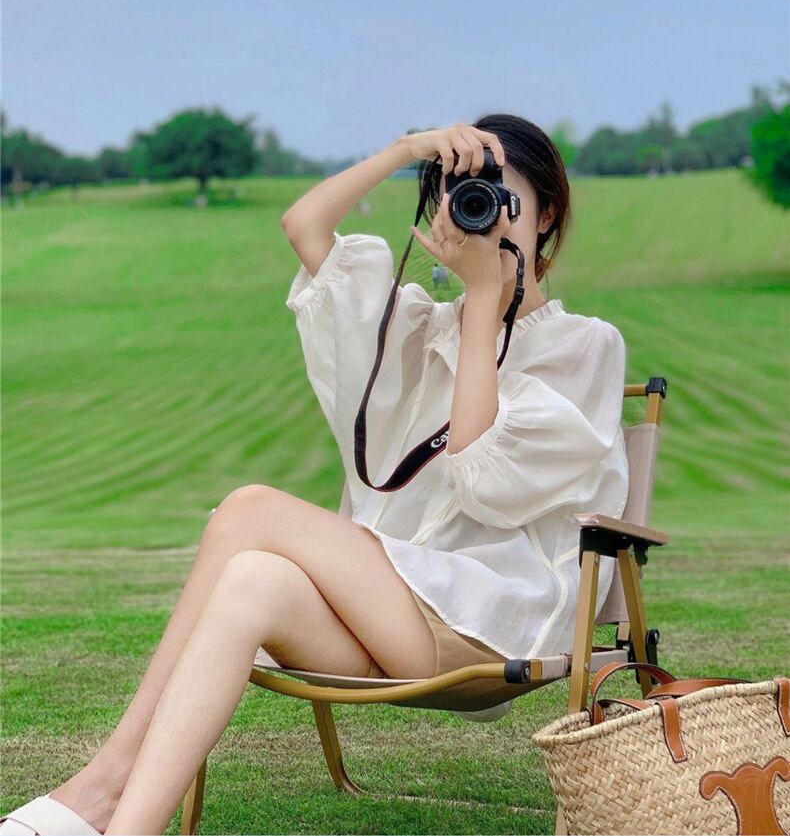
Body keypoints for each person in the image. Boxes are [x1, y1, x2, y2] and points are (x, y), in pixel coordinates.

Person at [1, 116, 630, 836]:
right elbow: (304, 226)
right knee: (251, 579)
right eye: (459, 192)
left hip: (490, 624)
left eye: (497, 195)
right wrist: (407, 151)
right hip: (392, 612)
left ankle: (102, 786)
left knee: (248, 509)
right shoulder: (419, 326)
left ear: (546, 214)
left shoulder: (585, 346)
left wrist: (486, 299)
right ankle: (125, 823)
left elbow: (483, 477)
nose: (477, 209)